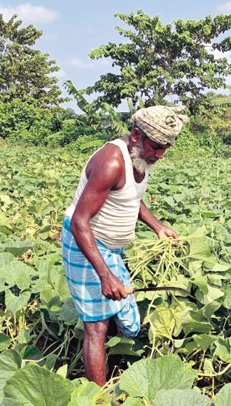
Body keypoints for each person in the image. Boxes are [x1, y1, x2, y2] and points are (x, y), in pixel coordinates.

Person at [61, 106, 186, 386]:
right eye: (156, 147)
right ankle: (98, 397)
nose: (160, 155)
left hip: (110, 247)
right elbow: (80, 222)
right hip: (85, 243)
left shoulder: (138, 158)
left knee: (121, 314)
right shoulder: (111, 163)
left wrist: (158, 226)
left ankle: (116, 367)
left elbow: (130, 198)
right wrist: (105, 275)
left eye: (165, 149)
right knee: (97, 326)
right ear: (136, 135)